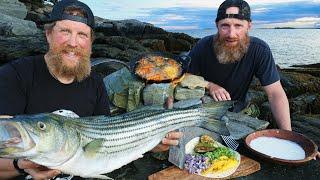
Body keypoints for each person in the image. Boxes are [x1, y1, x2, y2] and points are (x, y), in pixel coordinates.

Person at [0, 0, 181, 179]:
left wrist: (154, 141)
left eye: (82, 35)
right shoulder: (14, 76)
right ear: (48, 34)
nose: (73, 42)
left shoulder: (94, 82)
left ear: (90, 42)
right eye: (65, 31)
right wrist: (21, 166)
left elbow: (108, 143)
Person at [188, 0, 320, 160]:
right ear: (217, 25)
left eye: (238, 25)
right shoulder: (202, 46)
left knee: (245, 151)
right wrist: (210, 85)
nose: (231, 34)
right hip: (203, 110)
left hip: (238, 112)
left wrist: (288, 136)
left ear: (249, 26)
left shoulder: (260, 50)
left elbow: (275, 93)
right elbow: (185, 77)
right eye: (225, 26)